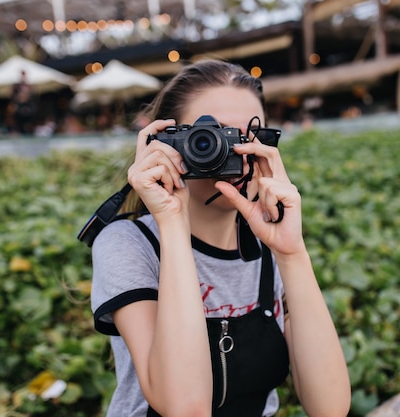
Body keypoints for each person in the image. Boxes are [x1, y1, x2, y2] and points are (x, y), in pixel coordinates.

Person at [89, 59, 351, 417]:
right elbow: (185, 408)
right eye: (211, 137)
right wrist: (172, 220)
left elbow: (330, 408)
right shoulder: (128, 242)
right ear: (167, 143)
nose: (238, 154)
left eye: (249, 138)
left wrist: (291, 253)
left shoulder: (269, 245)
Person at [9, 70, 37, 134]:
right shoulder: (16, 86)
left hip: (27, 112)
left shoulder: (29, 86)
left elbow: (33, 96)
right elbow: (11, 96)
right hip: (19, 112)